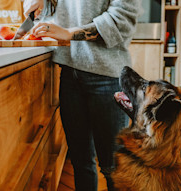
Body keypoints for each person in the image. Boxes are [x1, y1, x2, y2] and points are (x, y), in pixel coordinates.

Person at [23, 0, 141, 190]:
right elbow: (57, 17)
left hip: (107, 78)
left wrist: (70, 34)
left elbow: (121, 20)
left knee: (113, 167)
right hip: (69, 73)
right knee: (80, 163)